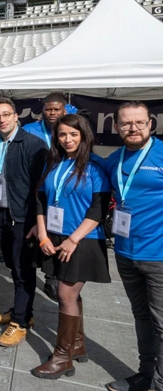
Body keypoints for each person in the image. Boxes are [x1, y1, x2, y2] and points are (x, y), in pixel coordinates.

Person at [32, 113, 111, 379]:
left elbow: (98, 209)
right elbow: (41, 199)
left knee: (65, 294)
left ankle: (62, 357)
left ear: (84, 135)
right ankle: (77, 344)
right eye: (62, 134)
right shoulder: (55, 163)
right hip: (54, 236)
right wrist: (42, 233)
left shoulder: (96, 166)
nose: (67, 139)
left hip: (83, 240)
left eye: (73, 134)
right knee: (71, 294)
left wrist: (74, 239)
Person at [104, 101, 163, 391]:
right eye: (126, 123)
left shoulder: (162, 154)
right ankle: (145, 373)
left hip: (159, 256)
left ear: (151, 123)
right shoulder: (114, 159)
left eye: (140, 122)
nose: (133, 128)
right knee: (141, 317)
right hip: (125, 253)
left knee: (162, 324)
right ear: (116, 127)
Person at [0, 97, 47, 347]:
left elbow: (40, 188)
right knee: (13, 266)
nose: (1, 120)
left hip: (24, 219)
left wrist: (36, 221)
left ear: (16, 116)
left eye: (5, 115)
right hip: (2, 215)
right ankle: (23, 311)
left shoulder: (34, 145)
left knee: (24, 271)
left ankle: (20, 323)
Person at [23, 92, 68, 301]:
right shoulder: (30, 130)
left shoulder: (68, 130)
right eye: (49, 109)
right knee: (37, 231)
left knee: (57, 231)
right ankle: (45, 275)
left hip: (61, 190)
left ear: (64, 110)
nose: (52, 113)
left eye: (56, 109)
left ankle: (55, 276)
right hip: (34, 188)